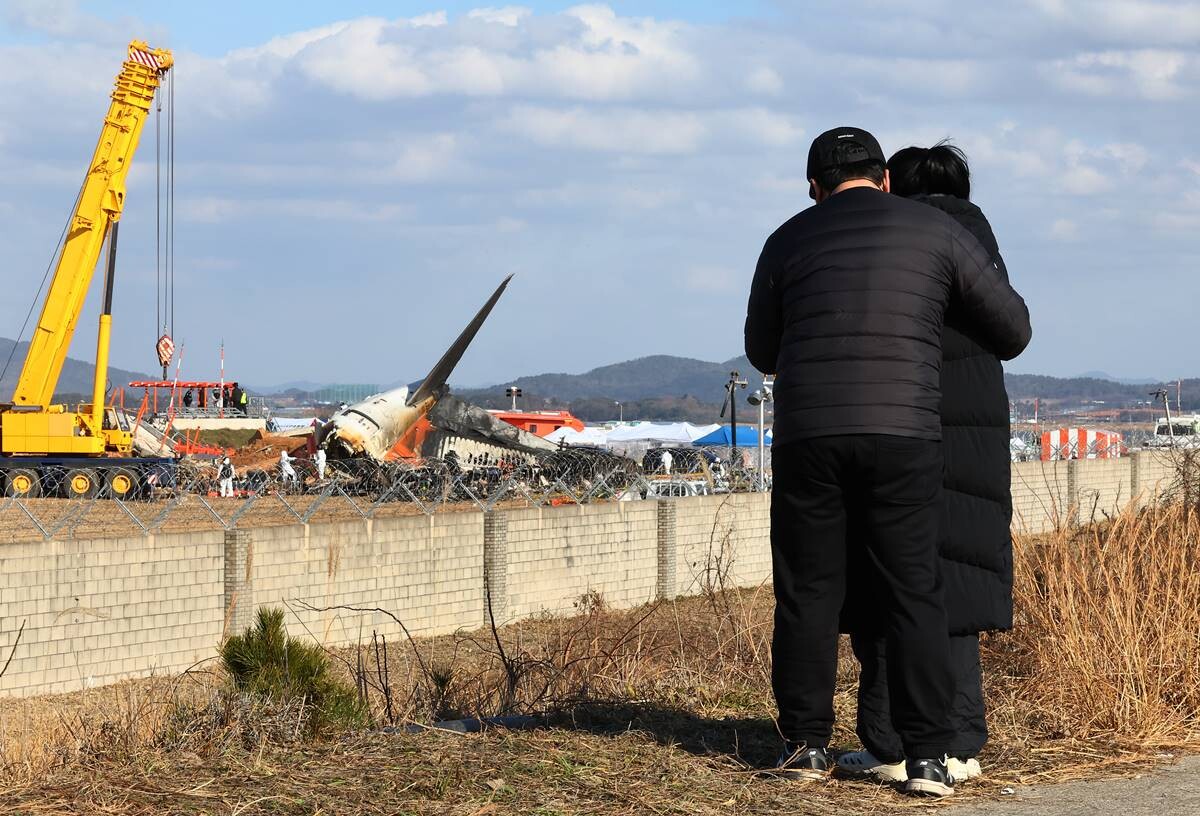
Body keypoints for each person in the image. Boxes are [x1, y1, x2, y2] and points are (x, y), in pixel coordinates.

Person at [744, 126, 1031, 797]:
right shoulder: (931, 230)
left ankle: (807, 744)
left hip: (809, 435)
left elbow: (762, 349)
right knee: (914, 589)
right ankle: (929, 758)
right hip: (904, 432)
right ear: (885, 178)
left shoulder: (786, 238)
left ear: (814, 187)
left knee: (809, 591)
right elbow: (1013, 329)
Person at [836, 143, 1016, 786]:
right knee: (955, 589)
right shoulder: (981, 251)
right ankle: (959, 742)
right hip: (973, 437)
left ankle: (886, 742)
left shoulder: (897, 245)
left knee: (887, 582)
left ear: (892, 190)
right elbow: (1013, 332)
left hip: (895, 424)